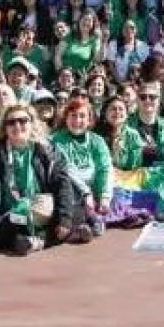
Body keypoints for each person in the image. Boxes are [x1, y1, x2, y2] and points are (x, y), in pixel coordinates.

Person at [0, 103, 87, 254]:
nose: (17, 125)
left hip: (43, 208)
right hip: (12, 212)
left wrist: (64, 218)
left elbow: (62, 182)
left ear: (32, 124)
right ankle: (55, 237)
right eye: (11, 122)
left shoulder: (47, 149)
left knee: (75, 211)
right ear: (5, 128)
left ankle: (36, 241)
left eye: (23, 121)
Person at [49, 95, 114, 230]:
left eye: (82, 116)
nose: (77, 120)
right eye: (73, 115)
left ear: (89, 120)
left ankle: (93, 218)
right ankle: (88, 220)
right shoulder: (56, 140)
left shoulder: (97, 141)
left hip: (94, 191)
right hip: (72, 190)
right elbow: (67, 169)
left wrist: (105, 196)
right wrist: (86, 193)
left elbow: (105, 168)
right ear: (66, 118)